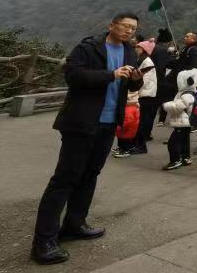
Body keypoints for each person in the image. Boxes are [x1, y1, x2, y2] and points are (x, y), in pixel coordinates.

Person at [31, 13, 144, 265]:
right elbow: (73, 76)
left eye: (133, 28)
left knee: (90, 174)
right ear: (111, 25)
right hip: (81, 122)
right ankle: (44, 241)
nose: (128, 31)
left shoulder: (129, 51)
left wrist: (136, 80)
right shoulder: (88, 47)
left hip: (107, 123)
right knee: (65, 179)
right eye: (125, 26)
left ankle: (75, 224)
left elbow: (129, 87)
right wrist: (111, 75)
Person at [159, 32, 197, 125]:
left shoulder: (194, 49)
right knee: (172, 97)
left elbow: (193, 66)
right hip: (178, 77)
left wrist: (189, 79)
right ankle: (167, 118)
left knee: (181, 100)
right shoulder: (186, 48)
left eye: (187, 36)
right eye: (185, 36)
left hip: (184, 80)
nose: (185, 38)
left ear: (193, 39)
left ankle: (181, 121)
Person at [161, 68, 197, 170]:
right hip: (184, 122)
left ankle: (175, 160)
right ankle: (185, 157)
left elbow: (178, 106)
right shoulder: (189, 93)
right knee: (184, 141)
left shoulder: (187, 95)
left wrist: (166, 105)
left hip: (182, 122)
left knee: (173, 143)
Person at [131, 40, 157, 154]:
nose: (136, 49)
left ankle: (141, 146)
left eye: (139, 47)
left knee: (141, 122)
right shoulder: (142, 60)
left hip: (146, 95)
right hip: (144, 93)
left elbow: (145, 80)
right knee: (139, 121)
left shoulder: (147, 62)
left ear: (144, 50)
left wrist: (134, 91)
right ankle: (136, 144)